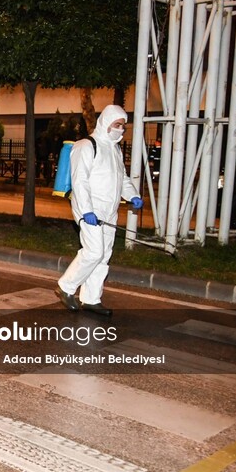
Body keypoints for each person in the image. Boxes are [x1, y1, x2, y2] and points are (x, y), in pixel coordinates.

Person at [55, 104, 142, 316]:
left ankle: (91, 298)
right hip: (90, 209)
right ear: (105, 122)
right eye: (117, 124)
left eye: (123, 126)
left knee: (104, 256)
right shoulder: (86, 145)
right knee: (93, 252)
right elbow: (80, 180)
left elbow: (122, 179)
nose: (120, 129)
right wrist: (86, 211)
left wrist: (133, 195)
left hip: (109, 211)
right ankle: (65, 287)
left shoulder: (115, 149)